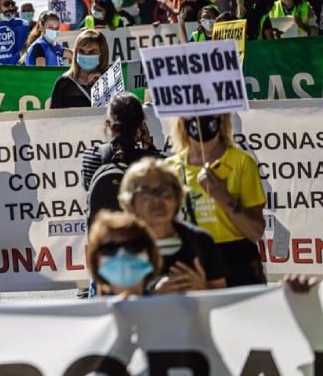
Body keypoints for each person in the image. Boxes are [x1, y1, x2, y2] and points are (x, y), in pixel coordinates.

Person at [166, 114, 266, 287]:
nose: (200, 116)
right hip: (191, 263)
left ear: (222, 117)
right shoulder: (169, 168)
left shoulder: (242, 162)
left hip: (237, 262)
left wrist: (221, 195)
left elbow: (255, 232)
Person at [119, 158, 227, 292]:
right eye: (146, 194)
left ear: (177, 198)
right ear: (131, 202)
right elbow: (112, 306)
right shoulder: (120, 249)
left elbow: (222, 299)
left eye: (165, 192)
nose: (157, 201)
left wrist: (202, 288)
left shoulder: (201, 241)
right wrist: (153, 297)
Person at [81, 92, 162, 229]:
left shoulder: (91, 157)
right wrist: (150, 147)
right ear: (141, 126)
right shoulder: (154, 162)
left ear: (108, 125)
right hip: (145, 239)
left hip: (107, 240)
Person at [87, 211, 162, 297]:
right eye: (109, 248)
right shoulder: (91, 310)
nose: (122, 254)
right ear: (96, 260)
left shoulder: (170, 308)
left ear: (150, 253)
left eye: (133, 246)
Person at [49, 29, 109, 109]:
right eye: (81, 51)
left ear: (102, 54)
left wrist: (103, 85)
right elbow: (52, 118)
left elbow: (116, 116)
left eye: (92, 52)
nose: (86, 55)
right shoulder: (64, 83)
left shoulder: (110, 81)